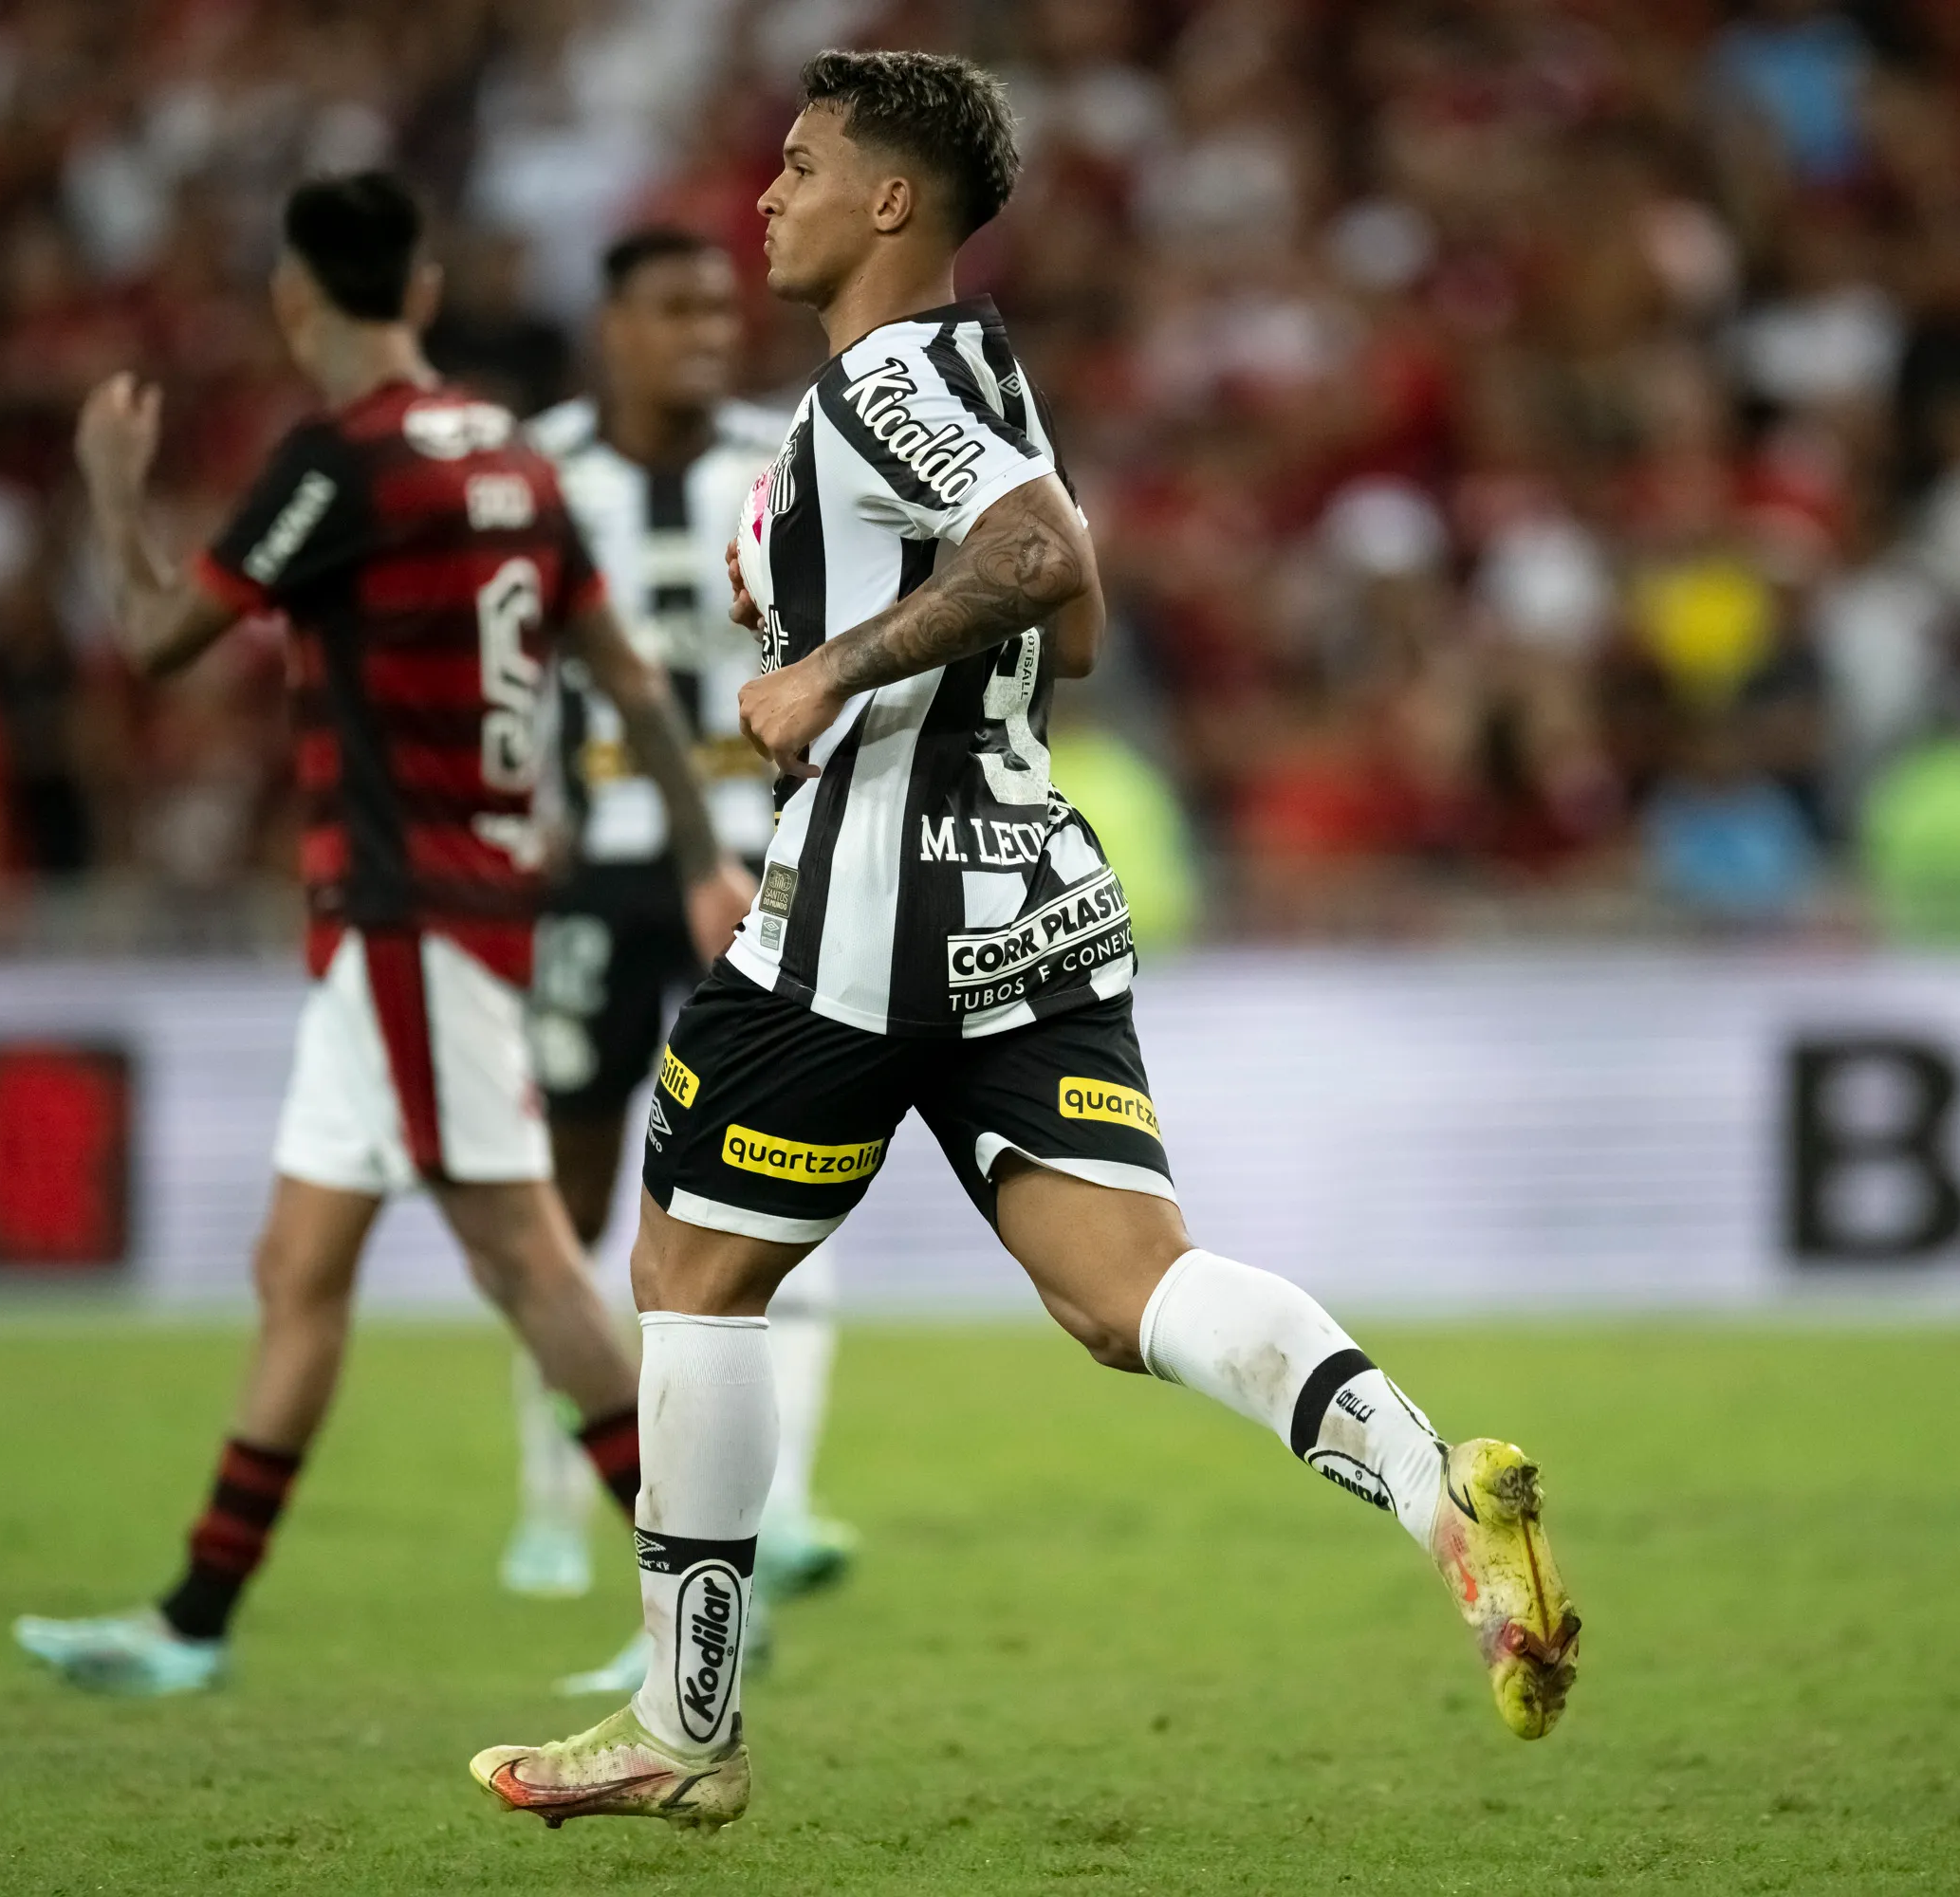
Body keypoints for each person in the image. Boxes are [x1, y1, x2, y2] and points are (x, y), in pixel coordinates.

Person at [469, 52, 1579, 1833]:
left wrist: (827, 667)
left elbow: (1043, 550)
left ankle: (687, 1726)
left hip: (862, 900)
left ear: (891, 202)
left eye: (803, 165)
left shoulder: (889, 379)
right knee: (1125, 1289)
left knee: (687, 1273)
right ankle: (1439, 1489)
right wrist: (920, 615)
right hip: (1027, 881)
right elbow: (1076, 618)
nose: (768, 196)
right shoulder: (979, 370)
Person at [11, 172, 751, 1695]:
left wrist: (108, 486)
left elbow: (157, 641)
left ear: (297, 301)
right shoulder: (509, 453)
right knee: (299, 1266)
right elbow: (621, 678)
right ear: (416, 294)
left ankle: (701, 1605)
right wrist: (697, 852)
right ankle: (194, 1623)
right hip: (420, 923)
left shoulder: (338, 466)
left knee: (532, 1265)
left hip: (415, 915)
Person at [501, 226, 856, 1694]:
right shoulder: (535, 470)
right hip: (585, 875)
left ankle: (776, 1508)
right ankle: (547, 1510)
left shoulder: (784, 460)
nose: (709, 329)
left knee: (768, 1179)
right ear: (612, 326)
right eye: (673, 308)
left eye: (721, 307)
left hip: (747, 869)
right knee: (571, 1203)